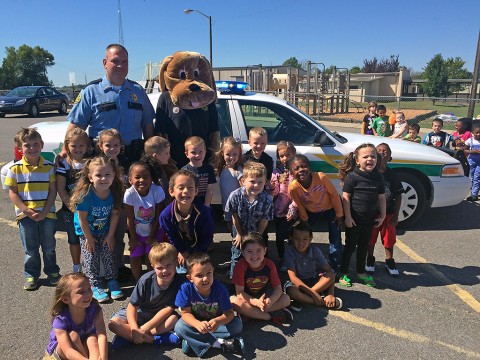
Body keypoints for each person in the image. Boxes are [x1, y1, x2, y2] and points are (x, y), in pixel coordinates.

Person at [63, 44, 154, 164]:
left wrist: (151, 152)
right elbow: (76, 127)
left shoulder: (138, 91)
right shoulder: (91, 91)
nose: (120, 66)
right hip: (101, 160)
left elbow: (147, 125)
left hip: (133, 157)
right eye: (115, 61)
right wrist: (65, 151)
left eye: (124, 62)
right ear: (105, 63)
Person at [5, 128, 60, 291]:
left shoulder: (49, 167)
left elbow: (53, 191)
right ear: (20, 149)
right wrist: (27, 211)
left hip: (47, 214)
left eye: (35, 144)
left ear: (42, 145)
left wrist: (44, 211)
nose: (32, 148)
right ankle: (31, 274)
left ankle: (52, 272)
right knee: (30, 248)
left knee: (49, 246)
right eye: (27, 145)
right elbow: (13, 193)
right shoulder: (14, 169)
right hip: (25, 216)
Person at [108, 243, 184, 350]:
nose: (165, 271)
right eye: (160, 267)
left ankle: (129, 338)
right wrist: (134, 329)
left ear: (176, 262)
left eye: (169, 265)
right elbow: (132, 306)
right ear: (153, 267)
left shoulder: (179, 282)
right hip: (141, 311)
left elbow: (168, 309)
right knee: (113, 324)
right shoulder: (145, 280)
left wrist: (144, 329)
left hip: (161, 317)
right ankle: (153, 340)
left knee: (174, 319)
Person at [70, 156, 125, 302]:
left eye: (107, 175)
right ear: (90, 177)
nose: (103, 179)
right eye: (98, 175)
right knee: (91, 256)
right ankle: (94, 284)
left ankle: (112, 280)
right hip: (86, 231)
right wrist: (88, 238)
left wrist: (111, 235)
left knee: (108, 252)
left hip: (104, 229)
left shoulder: (114, 192)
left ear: (114, 175)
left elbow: (115, 214)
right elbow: (82, 218)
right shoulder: (86, 195)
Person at [174, 254, 245, 357]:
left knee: (237, 325)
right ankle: (220, 344)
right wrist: (197, 324)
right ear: (190, 278)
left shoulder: (220, 289)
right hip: (196, 322)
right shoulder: (185, 288)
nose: (205, 279)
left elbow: (229, 313)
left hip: (215, 324)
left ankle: (192, 341)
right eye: (199, 275)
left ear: (213, 271)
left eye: (209, 273)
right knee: (179, 327)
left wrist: (217, 321)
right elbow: (185, 313)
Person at [338, 143, 386, 287]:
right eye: (365, 157)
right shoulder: (352, 177)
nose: (370, 159)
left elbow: (382, 198)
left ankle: (360, 272)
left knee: (364, 246)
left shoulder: (378, 177)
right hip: (354, 220)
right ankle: (344, 272)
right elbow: (345, 197)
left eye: (373, 156)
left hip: (369, 220)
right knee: (350, 246)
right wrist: (347, 217)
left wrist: (382, 216)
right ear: (357, 160)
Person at [288, 154, 344, 272]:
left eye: (304, 166)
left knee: (335, 238)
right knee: (300, 234)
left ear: (310, 168)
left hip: (330, 210)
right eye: (296, 168)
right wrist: (304, 220)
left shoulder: (321, 177)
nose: (301, 170)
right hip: (312, 212)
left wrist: (339, 214)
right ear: (291, 173)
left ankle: (335, 266)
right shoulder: (293, 187)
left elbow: (334, 195)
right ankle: (295, 260)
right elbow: (299, 204)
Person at [230, 232, 293, 324]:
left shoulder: (270, 265)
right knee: (234, 301)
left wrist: (270, 301)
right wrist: (255, 302)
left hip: (263, 296)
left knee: (286, 299)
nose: (254, 255)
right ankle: (268, 316)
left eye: (258, 250)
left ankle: (251, 314)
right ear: (243, 252)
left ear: (265, 250)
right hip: (247, 298)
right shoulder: (240, 266)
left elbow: (278, 289)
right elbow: (240, 293)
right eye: (249, 251)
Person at [159, 170, 215, 273]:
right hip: (181, 245)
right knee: (180, 271)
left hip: (200, 245)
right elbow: (172, 236)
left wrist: (197, 256)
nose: (185, 191)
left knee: (200, 270)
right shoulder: (165, 216)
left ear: (196, 191)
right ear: (171, 191)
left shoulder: (204, 213)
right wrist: (182, 251)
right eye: (180, 188)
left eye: (190, 188)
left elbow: (207, 236)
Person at [225, 161, 274, 278]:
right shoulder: (235, 196)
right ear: (243, 181)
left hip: (256, 231)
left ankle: (254, 278)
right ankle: (234, 278)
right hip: (239, 228)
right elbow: (234, 216)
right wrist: (239, 234)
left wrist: (257, 237)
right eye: (252, 181)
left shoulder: (267, 200)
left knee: (257, 254)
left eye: (260, 182)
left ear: (265, 183)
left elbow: (264, 220)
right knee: (237, 253)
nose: (256, 185)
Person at [44, 273, 107, 360]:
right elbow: (67, 351)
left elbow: (101, 334)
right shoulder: (61, 319)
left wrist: (104, 357)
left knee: (92, 338)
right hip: (64, 351)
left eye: (89, 289)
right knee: (73, 335)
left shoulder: (95, 309)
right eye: (81, 292)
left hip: (84, 343)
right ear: (66, 299)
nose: (88, 294)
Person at [284, 221, 342, 312]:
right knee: (291, 291)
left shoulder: (315, 250)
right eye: (297, 239)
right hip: (297, 284)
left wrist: (331, 294)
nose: (301, 242)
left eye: (305, 239)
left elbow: (329, 272)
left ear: (311, 239)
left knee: (330, 275)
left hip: (313, 281)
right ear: (291, 238)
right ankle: (321, 301)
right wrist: (314, 294)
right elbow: (293, 278)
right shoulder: (289, 252)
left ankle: (302, 300)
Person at [154, 88, 220, 169]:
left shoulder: (207, 96)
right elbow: (160, 132)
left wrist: (214, 158)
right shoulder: (167, 97)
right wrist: (167, 162)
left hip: (202, 163)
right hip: (175, 164)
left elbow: (214, 130)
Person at [96, 128, 130, 281]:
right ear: (100, 146)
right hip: (103, 208)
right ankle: (103, 269)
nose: (112, 149)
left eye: (116, 145)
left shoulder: (126, 163)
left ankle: (118, 265)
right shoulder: (97, 164)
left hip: (121, 207)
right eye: (108, 145)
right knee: (103, 238)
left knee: (118, 237)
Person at [124, 157, 166, 280]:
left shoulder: (157, 191)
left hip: (154, 231)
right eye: (137, 177)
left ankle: (151, 281)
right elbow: (130, 219)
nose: (141, 180)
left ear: (151, 178)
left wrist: (152, 237)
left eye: (146, 177)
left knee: (151, 258)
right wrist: (133, 237)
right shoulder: (129, 194)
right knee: (135, 257)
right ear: (130, 180)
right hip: (137, 232)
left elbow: (159, 217)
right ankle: (139, 283)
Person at [57, 128, 91, 273]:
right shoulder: (64, 165)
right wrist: (71, 207)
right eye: (73, 146)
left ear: (87, 146)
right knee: (74, 238)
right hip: (70, 210)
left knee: (89, 238)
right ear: (67, 146)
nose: (77, 149)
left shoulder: (91, 164)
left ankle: (90, 265)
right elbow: (61, 188)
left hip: (90, 209)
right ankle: (76, 266)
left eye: (81, 146)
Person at [366, 143, 403, 276]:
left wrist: (396, 216)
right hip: (372, 213)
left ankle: (389, 260)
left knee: (389, 238)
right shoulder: (369, 173)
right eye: (379, 151)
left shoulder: (392, 175)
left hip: (388, 212)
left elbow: (398, 196)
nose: (382, 153)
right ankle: (370, 258)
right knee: (370, 237)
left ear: (390, 158)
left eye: (385, 151)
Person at [270, 141, 297, 270]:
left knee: (294, 235)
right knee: (280, 235)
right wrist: (273, 185)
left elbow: (300, 192)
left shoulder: (297, 171)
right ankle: (282, 258)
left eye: (288, 155)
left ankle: (294, 258)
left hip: (294, 209)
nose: (285, 158)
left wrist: (293, 208)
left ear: (294, 154)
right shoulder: (276, 172)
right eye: (282, 156)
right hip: (279, 210)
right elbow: (274, 193)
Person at [211, 136, 244, 235]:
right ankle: (234, 238)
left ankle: (239, 240)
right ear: (222, 153)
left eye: (235, 154)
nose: (231, 157)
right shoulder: (222, 167)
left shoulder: (238, 170)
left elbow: (243, 187)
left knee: (237, 225)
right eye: (228, 154)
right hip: (226, 204)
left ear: (239, 155)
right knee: (229, 222)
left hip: (237, 205)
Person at [181, 136, 216, 206]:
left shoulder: (209, 169)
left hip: (205, 204)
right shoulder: (184, 171)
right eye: (193, 152)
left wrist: (207, 205)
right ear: (187, 154)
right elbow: (184, 191)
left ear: (205, 152)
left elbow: (210, 190)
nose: (197, 155)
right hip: (189, 205)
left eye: (200, 152)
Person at [144, 136, 178, 203]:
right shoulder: (148, 172)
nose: (169, 156)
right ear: (156, 156)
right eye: (166, 153)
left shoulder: (169, 166)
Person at [464, 123, 480, 201]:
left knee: (477, 177)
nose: (478, 134)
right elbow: (465, 150)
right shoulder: (470, 140)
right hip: (472, 161)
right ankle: (474, 188)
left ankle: (474, 194)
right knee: (472, 177)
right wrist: (472, 151)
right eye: (476, 132)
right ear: (472, 133)